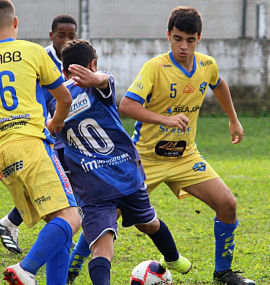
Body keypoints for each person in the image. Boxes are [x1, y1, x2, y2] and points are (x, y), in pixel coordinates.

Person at [70, 6, 255, 285]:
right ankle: (72, 269)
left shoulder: (206, 65)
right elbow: (127, 105)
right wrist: (165, 120)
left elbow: (218, 83)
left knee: (228, 204)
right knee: (109, 215)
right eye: (178, 38)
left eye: (190, 40)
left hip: (185, 157)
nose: (183, 46)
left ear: (199, 39)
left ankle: (224, 271)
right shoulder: (155, 68)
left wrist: (233, 119)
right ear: (168, 35)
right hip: (144, 158)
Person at [50, 39, 191, 285]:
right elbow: (105, 79)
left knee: (102, 250)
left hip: (90, 185)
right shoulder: (100, 87)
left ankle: (173, 258)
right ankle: (174, 258)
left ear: (63, 71)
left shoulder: (56, 102)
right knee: (149, 223)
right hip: (124, 174)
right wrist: (98, 78)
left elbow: (54, 131)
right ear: (93, 63)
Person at [0, 1, 81, 284]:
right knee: (72, 218)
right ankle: (25, 268)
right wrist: (54, 124)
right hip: (32, 145)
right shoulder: (33, 51)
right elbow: (64, 98)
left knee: (56, 221)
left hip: (0, 153)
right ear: (15, 23)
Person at [0, 14, 91, 260]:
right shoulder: (40, 56)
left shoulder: (75, 58)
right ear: (51, 35)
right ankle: (40, 246)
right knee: (66, 191)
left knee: (60, 190)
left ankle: (11, 223)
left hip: (63, 132)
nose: (66, 40)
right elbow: (55, 96)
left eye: (71, 36)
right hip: (46, 133)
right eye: (61, 35)